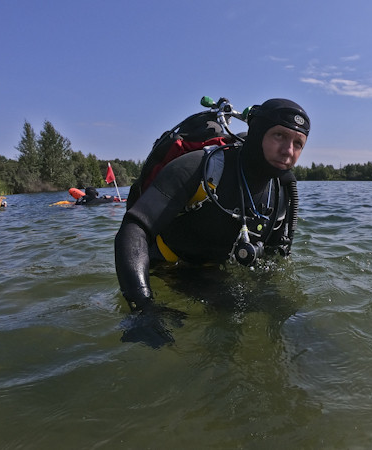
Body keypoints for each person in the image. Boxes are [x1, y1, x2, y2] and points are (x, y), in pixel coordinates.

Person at [114, 98, 309, 316]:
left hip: (214, 270)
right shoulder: (198, 167)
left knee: (283, 309)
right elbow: (134, 227)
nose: (288, 151)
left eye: (298, 143)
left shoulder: (280, 193)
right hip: (166, 264)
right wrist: (142, 307)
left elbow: (273, 259)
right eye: (279, 135)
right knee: (230, 306)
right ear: (257, 131)